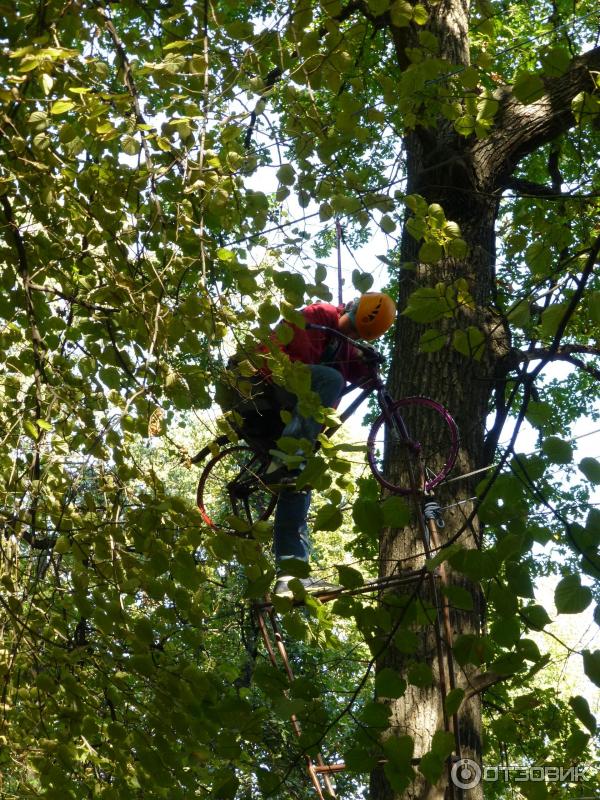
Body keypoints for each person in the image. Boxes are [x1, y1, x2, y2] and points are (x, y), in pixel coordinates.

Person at [220, 291, 396, 598]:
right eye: (351, 327)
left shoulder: (344, 344)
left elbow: (366, 378)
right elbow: (298, 356)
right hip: (266, 384)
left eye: (357, 335)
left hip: (288, 420)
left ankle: (290, 577)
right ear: (350, 308)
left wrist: (370, 364)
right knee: (329, 380)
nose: (351, 335)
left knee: (299, 479)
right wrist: (344, 353)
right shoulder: (320, 315)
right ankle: (289, 457)